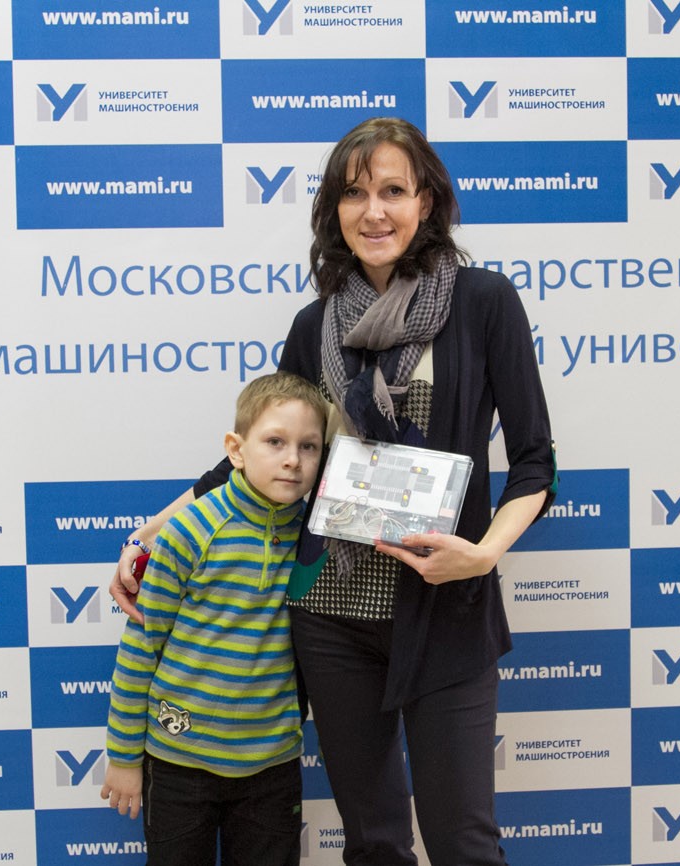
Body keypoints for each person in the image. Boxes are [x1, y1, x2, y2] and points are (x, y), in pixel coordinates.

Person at [112, 117, 556, 866]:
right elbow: (253, 461)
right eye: (354, 194)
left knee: (463, 843)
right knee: (374, 842)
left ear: (425, 203)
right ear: (334, 210)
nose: (373, 212)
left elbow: (535, 463)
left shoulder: (483, 302)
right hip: (329, 616)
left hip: (445, 609)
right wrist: (147, 535)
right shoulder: (314, 323)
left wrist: (482, 556)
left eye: (393, 191)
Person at [100, 371, 328, 866]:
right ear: (236, 450)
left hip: (272, 766)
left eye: (309, 447)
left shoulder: (318, 538)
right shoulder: (190, 530)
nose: (293, 459)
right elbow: (140, 649)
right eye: (275, 442)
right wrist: (123, 757)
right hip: (178, 763)